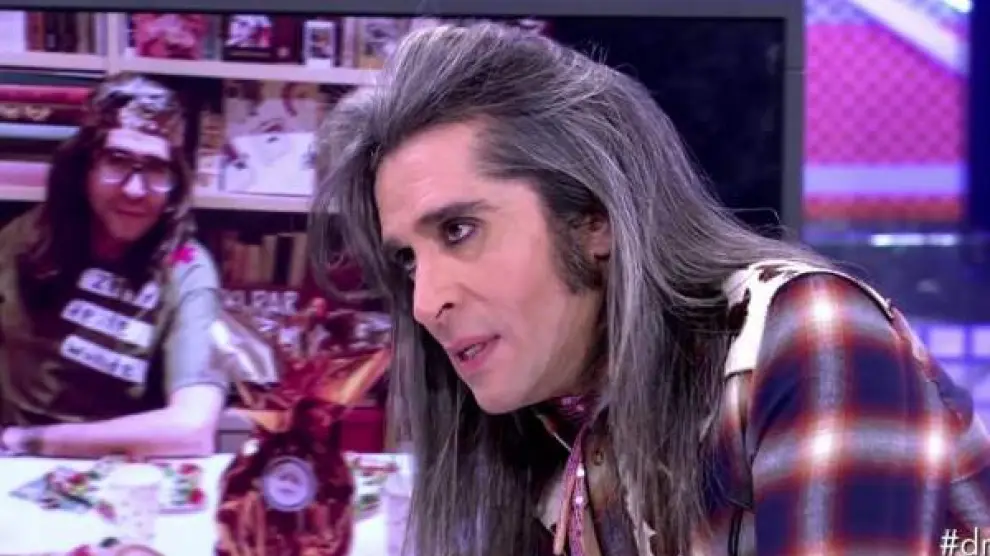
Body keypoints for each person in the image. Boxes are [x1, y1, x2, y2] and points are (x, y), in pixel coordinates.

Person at [311, 23, 990, 556]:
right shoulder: (565, 434)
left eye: (460, 230)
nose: (426, 302)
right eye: (408, 261)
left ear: (594, 218)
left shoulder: (807, 337)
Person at [0, 74, 227, 458]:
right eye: (117, 161)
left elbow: (193, 428)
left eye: (155, 168)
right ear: (84, 168)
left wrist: (27, 440)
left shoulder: (187, 268)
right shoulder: (24, 239)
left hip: (122, 470)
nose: (135, 190)